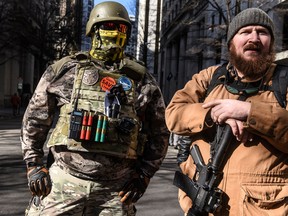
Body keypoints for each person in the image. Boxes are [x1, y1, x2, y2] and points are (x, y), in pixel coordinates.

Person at [21, 1, 169, 215]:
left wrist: (144, 175)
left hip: (115, 190)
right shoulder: (65, 70)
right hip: (64, 181)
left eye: (121, 28)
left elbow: (160, 134)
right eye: (108, 27)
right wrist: (34, 165)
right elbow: (35, 119)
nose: (115, 33)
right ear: (94, 30)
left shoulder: (141, 80)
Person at [165, 8, 288, 216]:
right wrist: (212, 115)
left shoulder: (283, 81)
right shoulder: (210, 77)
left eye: (262, 32)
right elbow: (174, 113)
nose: (254, 38)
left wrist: (249, 112)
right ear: (231, 43)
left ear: (271, 43)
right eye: (245, 31)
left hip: (262, 208)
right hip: (201, 205)